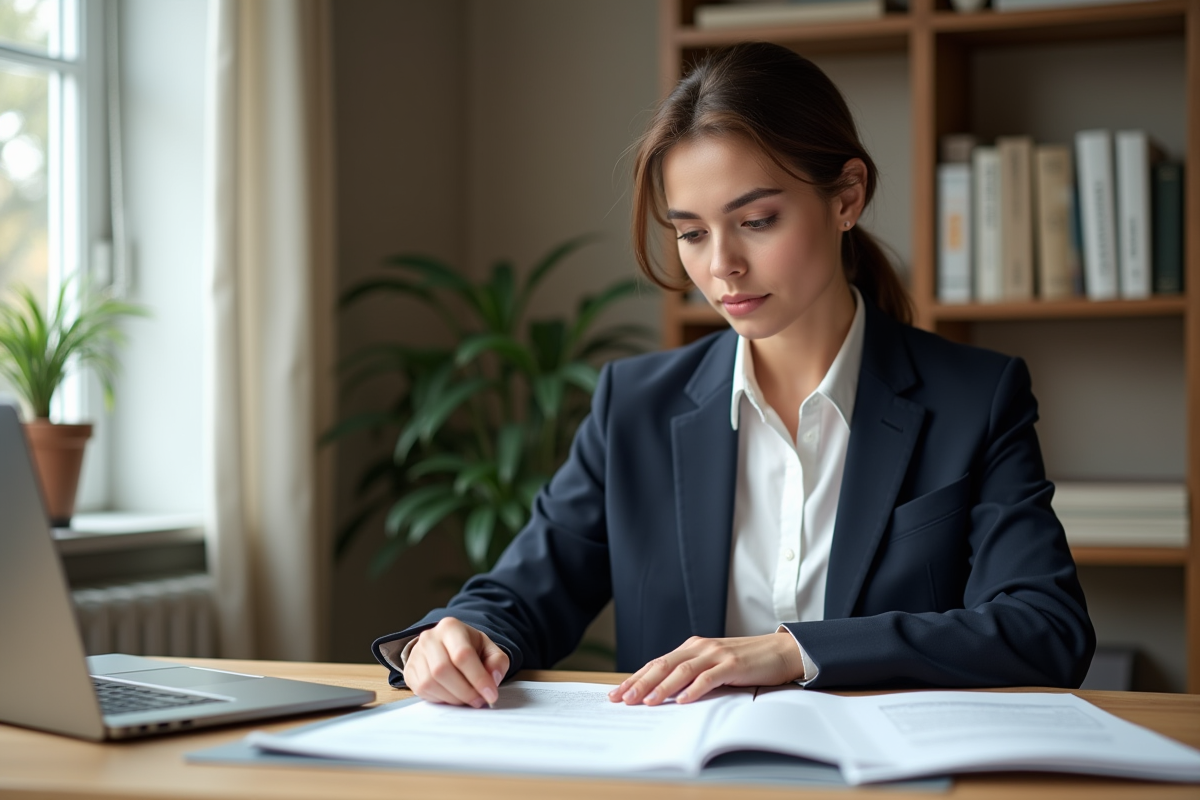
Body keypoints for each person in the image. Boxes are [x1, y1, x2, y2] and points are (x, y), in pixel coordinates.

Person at [371, 41, 1095, 709]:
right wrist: (453, 635)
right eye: (691, 233)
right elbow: (522, 594)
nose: (720, 267)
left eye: (758, 220)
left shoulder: (975, 397)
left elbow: (1044, 630)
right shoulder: (636, 406)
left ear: (847, 197)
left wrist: (794, 651)